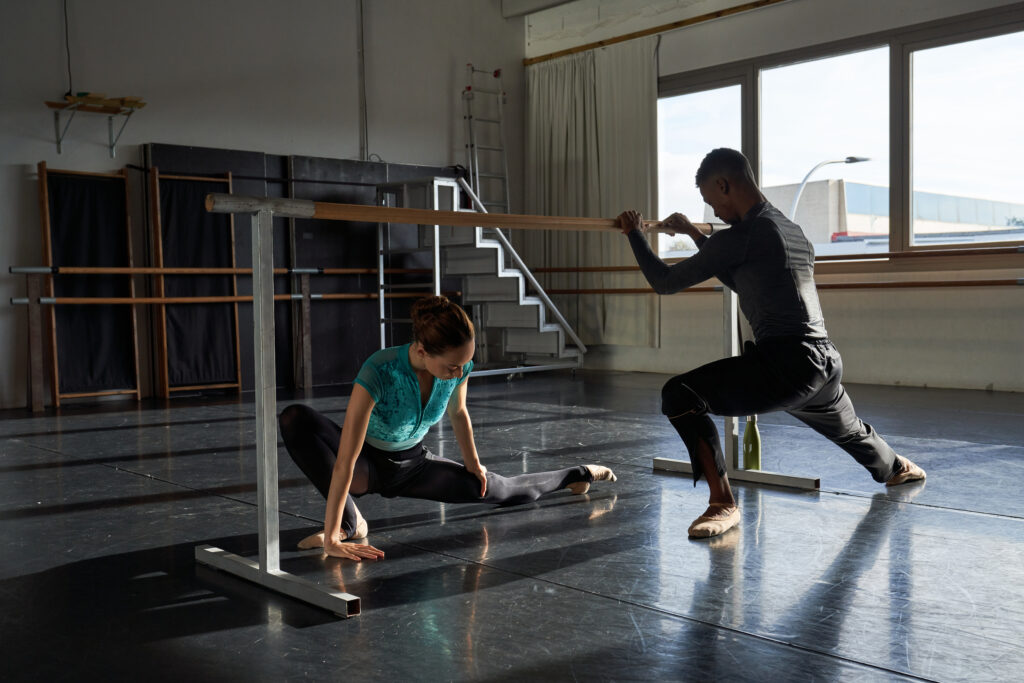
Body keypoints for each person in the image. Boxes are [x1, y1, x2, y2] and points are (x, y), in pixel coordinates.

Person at [616, 147, 925, 540]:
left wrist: (636, 235)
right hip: (823, 362)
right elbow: (743, 279)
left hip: (788, 366)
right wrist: (696, 235)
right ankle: (898, 468)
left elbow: (664, 282)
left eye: (713, 202)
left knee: (679, 395)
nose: (715, 214)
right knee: (849, 431)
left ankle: (722, 503)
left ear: (725, 185)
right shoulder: (789, 229)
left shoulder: (742, 234)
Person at [279, 295, 616, 560]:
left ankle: (579, 474)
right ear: (423, 351)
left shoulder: (459, 369)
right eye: (453, 366)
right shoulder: (379, 371)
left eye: (464, 365)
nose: (459, 373)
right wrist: (331, 536)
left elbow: (459, 413)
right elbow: (345, 462)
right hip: (366, 465)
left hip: (414, 465)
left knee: (504, 491)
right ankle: (350, 526)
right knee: (296, 418)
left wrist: (473, 464)